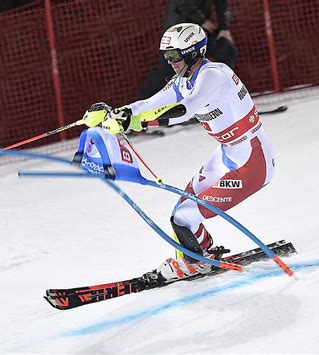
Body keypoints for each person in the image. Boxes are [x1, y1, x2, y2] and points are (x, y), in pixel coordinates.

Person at [83, 23, 274, 283]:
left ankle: (193, 262)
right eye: (167, 56)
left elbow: (184, 111)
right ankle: (201, 253)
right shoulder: (183, 80)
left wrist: (140, 123)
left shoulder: (213, 75)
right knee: (181, 211)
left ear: (194, 52)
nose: (169, 62)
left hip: (252, 162)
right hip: (227, 154)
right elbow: (150, 103)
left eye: (174, 55)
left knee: (184, 217)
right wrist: (118, 113)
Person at [139, 0, 238, 100]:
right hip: (177, 35)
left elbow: (222, 4)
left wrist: (224, 28)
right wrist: (202, 20)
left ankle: (224, 91)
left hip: (199, 33)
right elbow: (182, 4)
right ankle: (146, 101)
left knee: (227, 50)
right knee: (168, 70)